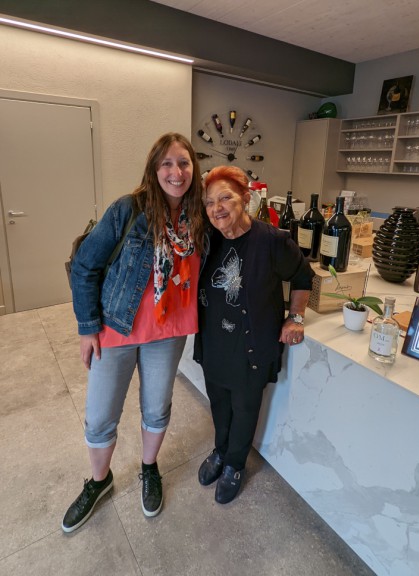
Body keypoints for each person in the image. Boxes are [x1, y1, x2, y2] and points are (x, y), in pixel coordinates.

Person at [62, 133, 205, 532]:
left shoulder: (198, 218)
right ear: (154, 169)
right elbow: (86, 266)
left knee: (157, 408)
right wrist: (88, 328)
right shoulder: (128, 209)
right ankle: (98, 481)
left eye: (184, 163)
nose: (176, 172)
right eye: (167, 164)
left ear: (194, 169)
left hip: (168, 332)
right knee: (100, 416)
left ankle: (148, 467)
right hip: (116, 327)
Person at [194, 166, 315, 504]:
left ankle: (234, 464)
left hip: (251, 345)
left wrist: (295, 317)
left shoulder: (273, 241)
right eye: (209, 202)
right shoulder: (208, 239)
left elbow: (304, 276)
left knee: (245, 407)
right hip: (214, 341)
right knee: (218, 402)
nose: (216, 208)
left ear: (246, 198)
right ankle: (220, 451)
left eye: (225, 198)